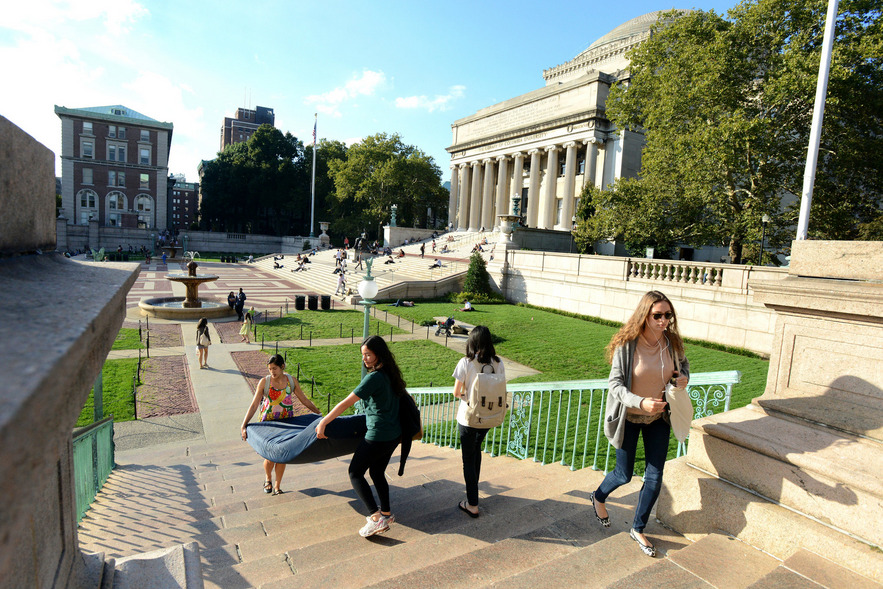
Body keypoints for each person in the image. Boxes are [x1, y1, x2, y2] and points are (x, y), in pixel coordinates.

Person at [589, 291, 690, 558]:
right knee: (623, 474)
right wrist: (640, 402)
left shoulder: (672, 342)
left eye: (668, 315)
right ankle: (598, 496)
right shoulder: (628, 345)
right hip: (629, 419)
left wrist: (682, 378)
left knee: (655, 477)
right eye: (657, 315)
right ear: (645, 315)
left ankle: (638, 527)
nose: (663, 321)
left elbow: (683, 367)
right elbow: (614, 384)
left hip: (659, 418)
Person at [315, 336, 404, 537]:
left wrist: (323, 422)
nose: (364, 359)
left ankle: (376, 518)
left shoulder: (374, 378)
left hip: (378, 434)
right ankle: (386, 514)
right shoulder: (391, 374)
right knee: (377, 472)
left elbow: (346, 403)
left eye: (368, 355)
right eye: (363, 355)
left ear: (378, 355)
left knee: (355, 472)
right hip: (393, 434)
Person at [240, 354, 322, 495]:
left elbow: (304, 400)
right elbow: (254, 405)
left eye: (275, 368)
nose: (272, 372)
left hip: (287, 423)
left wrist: (319, 414)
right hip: (269, 424)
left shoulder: (291, 381)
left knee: (282, 456)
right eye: (270, 369)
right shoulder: (264, 382)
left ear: (282, 367)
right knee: (270, 457)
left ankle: (277, 486)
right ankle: (268, 478)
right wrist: (244, 425)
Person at [452, 326, 505, 517]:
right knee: (476, 451)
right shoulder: (498, 363)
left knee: (468, 458)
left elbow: (456, 392)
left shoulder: (466, 362)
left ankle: (472, 504)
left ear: (472, 342)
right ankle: (473, 495)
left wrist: (469, 397)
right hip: (489, 416)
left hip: (468, 418)